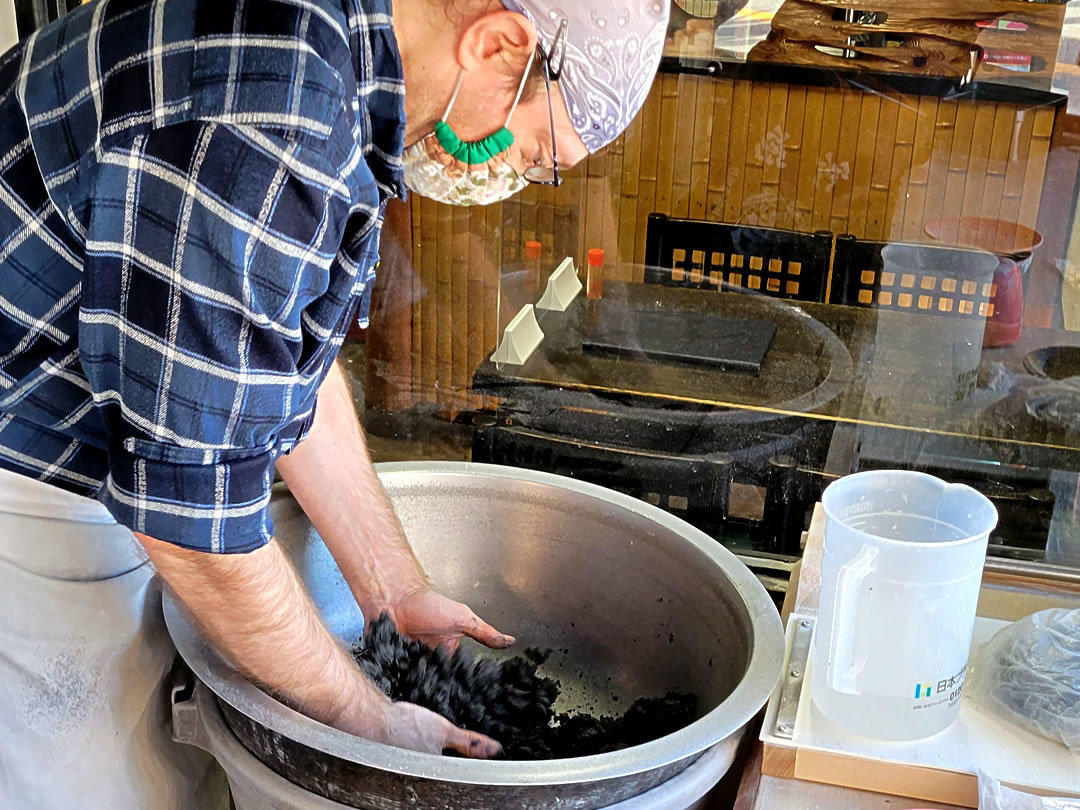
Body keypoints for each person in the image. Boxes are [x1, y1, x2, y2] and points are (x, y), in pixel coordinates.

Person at [0, 0, 668, 805]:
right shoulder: (274, 120)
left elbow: (280, 362)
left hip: (110, 451)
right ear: (498, 45)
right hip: (25, 484)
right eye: (537, 155)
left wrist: (393, 592)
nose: (513, 176)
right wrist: (373, 725)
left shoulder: (345, 62)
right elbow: (193, 522)